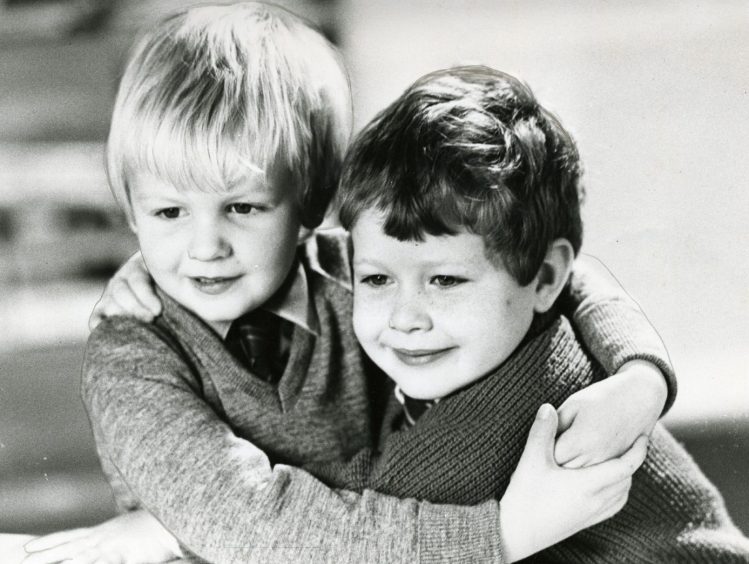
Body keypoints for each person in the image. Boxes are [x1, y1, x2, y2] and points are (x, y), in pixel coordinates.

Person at [22, 4, 673, 564]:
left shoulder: (349, 268)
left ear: (310, 205)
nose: (204, 246)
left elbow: (531, 266)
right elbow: (247, 524)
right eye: (168, 213)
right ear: (130, 211)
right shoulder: (132, 357)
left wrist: (641, 376)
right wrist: (499, 535)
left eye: (243, 208)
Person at [297, 65, 749, 561]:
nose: (405, 318)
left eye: (445, 280)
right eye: (377, 279)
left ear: (547, 278)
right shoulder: (506, 346)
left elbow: (361, 519)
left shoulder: (531, 397)